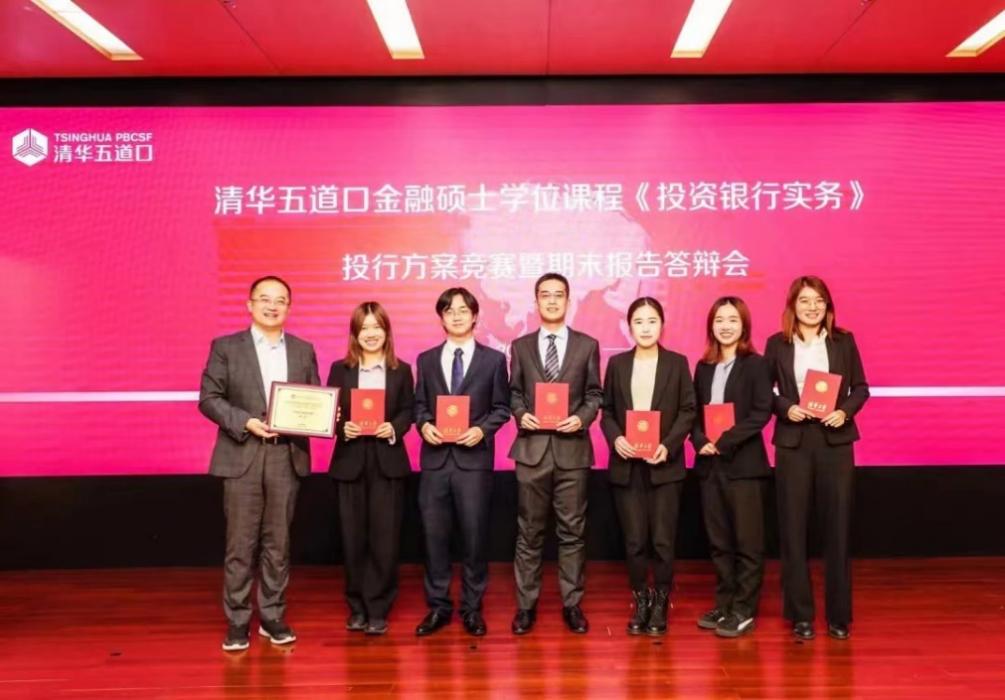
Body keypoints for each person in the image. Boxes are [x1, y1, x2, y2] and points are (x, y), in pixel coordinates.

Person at [199, 275, 319, 652]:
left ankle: (272, 616)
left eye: (280, 300)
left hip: (285, 454)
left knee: (278, 544)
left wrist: (323, 415)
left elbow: (314, 399)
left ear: (289, 307)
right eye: (264, 299)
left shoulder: (303, 350)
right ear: (249, 304)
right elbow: (209, 398)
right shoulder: (226, 347)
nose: (272, 306)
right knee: (240, 544)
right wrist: (245, 422)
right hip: (243, 453)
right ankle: (237, 621)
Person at [764, 276, 869, 641]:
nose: (812, 307)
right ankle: (801, 615)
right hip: (793, 442)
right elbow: (764, 392)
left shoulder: (843, 341)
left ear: (828, 306)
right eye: (805, 300)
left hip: (835, 441)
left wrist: (844, 412)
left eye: (819, 301)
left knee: (837, 528)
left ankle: (839, 616)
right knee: (793, 530)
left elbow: (861, 388)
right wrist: (786, 407)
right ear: (793, 306)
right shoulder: (777, 344)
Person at [413, 287, 511, 637]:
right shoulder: (425, 360)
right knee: (434, 538)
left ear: (474, 316)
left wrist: (481, 430)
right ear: (441, 318)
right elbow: (419, 405)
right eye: (448, 311)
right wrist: (424, 425)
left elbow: (502, 408)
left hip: (474, 463)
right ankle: (438, 607)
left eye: (462, 310)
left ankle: (472, 608)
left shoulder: (494, 360)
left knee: (474, 538)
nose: (456, 316)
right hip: (435, 462)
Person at [509, 272, 603, 635]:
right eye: (545, 295)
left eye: (558, 295)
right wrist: (522, 414)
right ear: (536, 302)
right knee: (528, 533)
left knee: (572, 532)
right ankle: (525, 607)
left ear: (568, 300)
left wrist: (581, 419)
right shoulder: (520, 346)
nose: (551, 300)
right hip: (532, 451)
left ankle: (572, 604)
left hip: (572, 452)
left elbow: (594, 394)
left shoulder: (587, 345)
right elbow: (514, 392)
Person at [600, 297, 695, 636]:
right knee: (635, 540)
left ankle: (661, 600)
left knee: (663, 541)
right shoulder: (617, 364)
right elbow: (607, 411)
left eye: (652, 321)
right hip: (628, 466)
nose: (645, 328)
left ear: (662, 325)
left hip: (664, 466)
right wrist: (616, 439)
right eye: (638, 321)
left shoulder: (677, 363)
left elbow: (688, 410)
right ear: (629, 327)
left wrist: (668, 445)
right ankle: (640, 598)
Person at [327, 302, 415, 636]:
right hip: (349, 461)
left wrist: (393, 427)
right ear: (355, 334)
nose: (371, 334)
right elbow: (330, 412)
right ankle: (357, 607)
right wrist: (342, 427)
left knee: (385, 538)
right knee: (352, 539)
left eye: (377, 327)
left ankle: (378, 608)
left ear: (386, 331)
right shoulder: (340, 370)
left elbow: (408, 410)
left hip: (387, 461)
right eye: (364, 328)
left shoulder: (401, 370)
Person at [691, 297, 772, 638]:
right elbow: (693, 411)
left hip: (744, 466)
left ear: (744, 326)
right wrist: (699, 440)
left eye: (733, 320)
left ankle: (744, 609)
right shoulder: (703, 366)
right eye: (720, 320)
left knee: (747, 542)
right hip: (710, 465)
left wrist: (724, 440)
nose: (725, 326)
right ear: (711, 325)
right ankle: (724, 603)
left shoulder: (756, 364)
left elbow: (761, 411)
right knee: (719, 541)